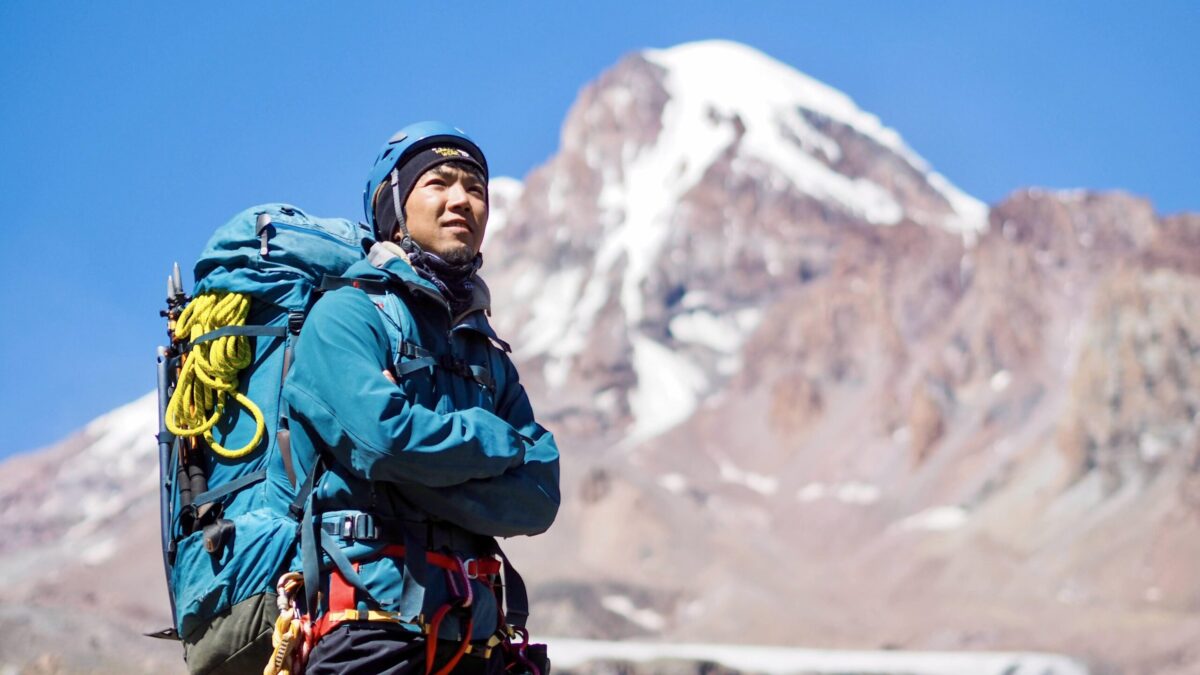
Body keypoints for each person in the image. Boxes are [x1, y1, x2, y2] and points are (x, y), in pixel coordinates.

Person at [281, 121, 560, 674]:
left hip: (479, 645)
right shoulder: (346, 318)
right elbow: (383, 443)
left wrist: (417, 464)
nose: (462, 200)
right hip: (370, 638)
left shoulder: (487, 356)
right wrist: (495, 441)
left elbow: (539, 495)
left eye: (476, 188)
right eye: (439, 182)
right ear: (394, 205)